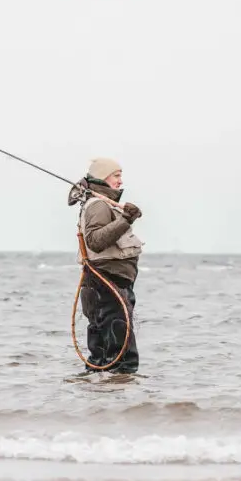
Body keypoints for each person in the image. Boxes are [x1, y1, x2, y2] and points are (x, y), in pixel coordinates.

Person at [67, 157, 143, 373]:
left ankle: (102, 397)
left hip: (104, 281)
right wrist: (126, 219)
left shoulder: (100, 203)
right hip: (106, 280)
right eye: (116, 175)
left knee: (103, 350)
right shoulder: (99, 205)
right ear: (103, 177)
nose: (120, 181)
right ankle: (122, 397)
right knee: (121, 353)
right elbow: (96, 241)